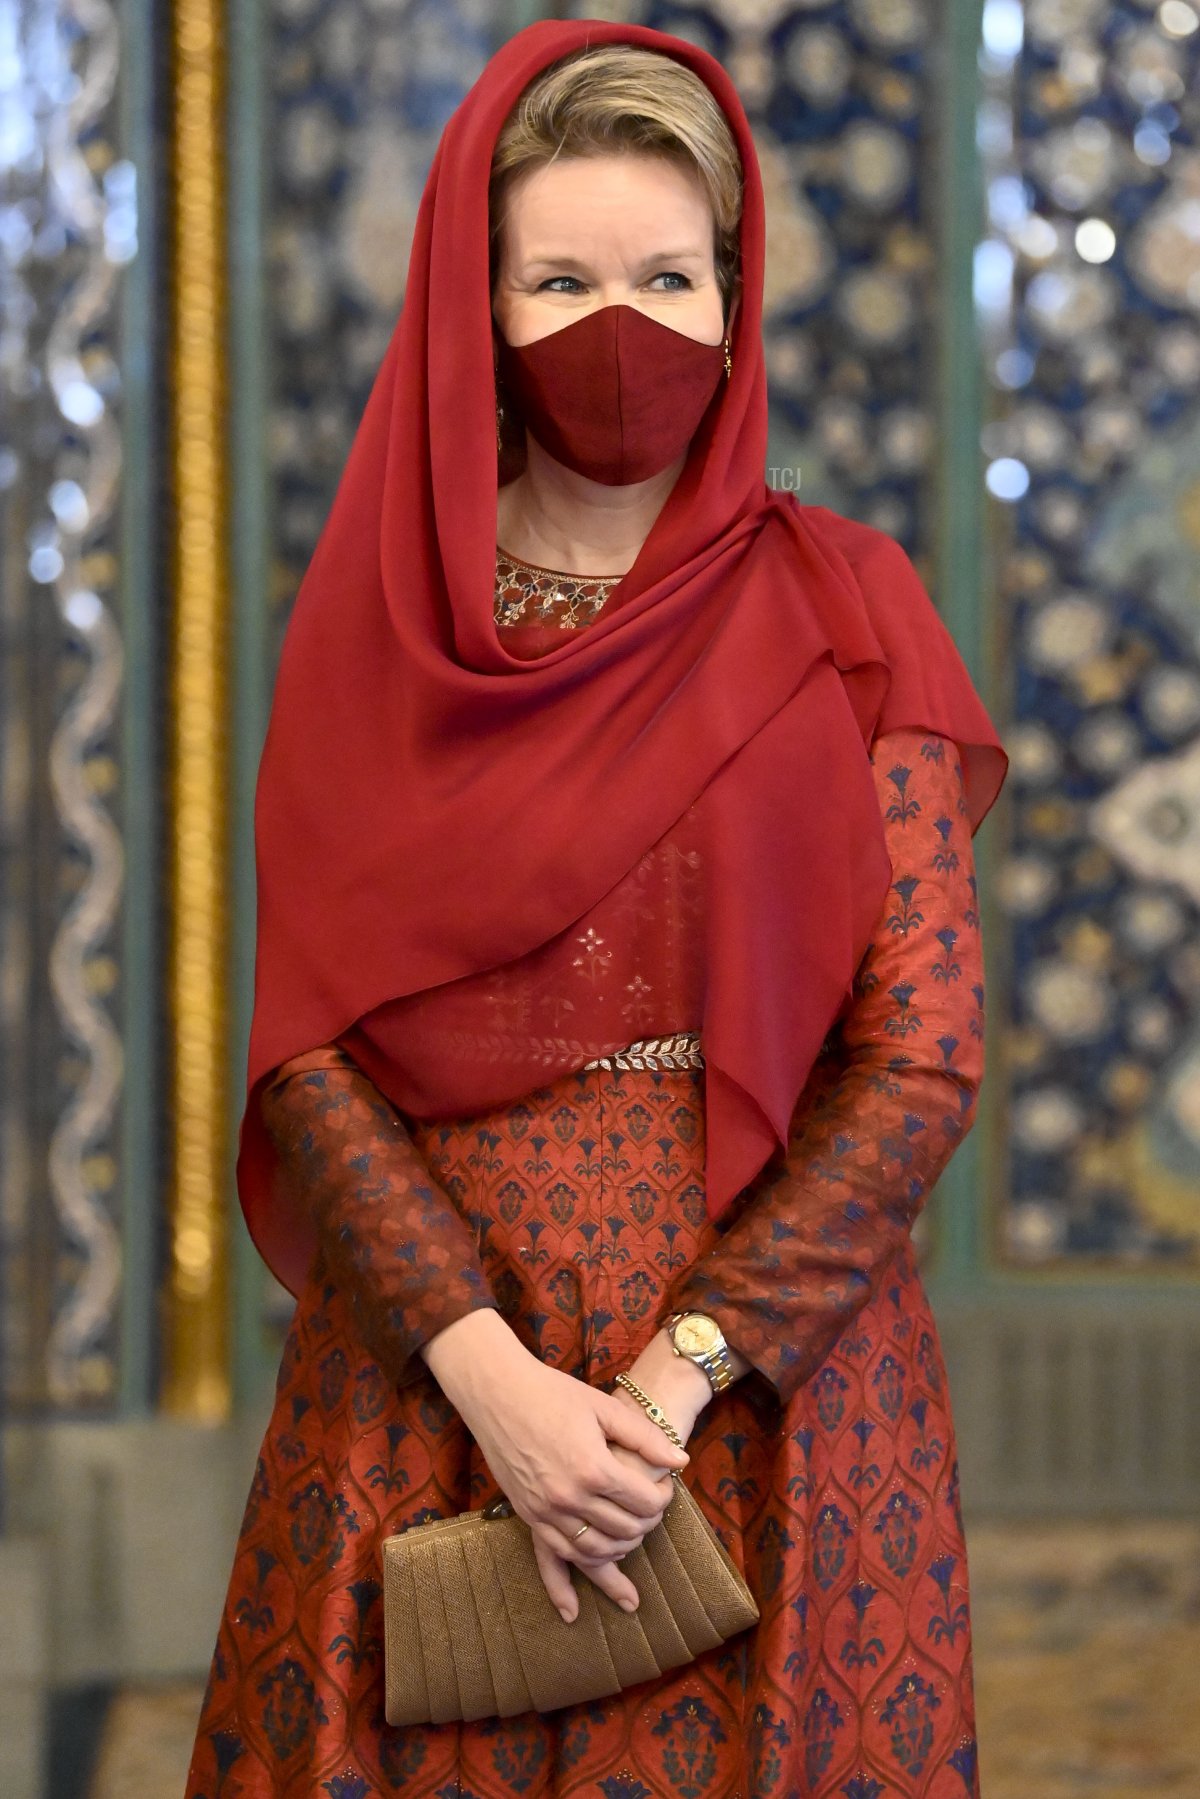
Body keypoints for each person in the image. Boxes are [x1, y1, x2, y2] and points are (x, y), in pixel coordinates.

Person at [185, 18, 1008, 1799]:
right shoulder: (385, 632)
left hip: (771, 1399)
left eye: (667, 274)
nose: (617, 327)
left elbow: (924, 1058)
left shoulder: (849, 605)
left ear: (736, 298)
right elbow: (309, 1052)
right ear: (475, 313)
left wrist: (669, 1388)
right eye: (557, 279)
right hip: (431, 1387)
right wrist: (495, 1383)